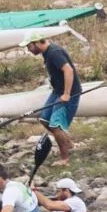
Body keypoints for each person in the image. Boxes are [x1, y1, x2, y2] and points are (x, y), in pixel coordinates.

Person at [28, 34, 81, 170]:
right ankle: (68, 143)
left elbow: (68, 70)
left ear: (37, 43)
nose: (28, 50)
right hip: (57, 91)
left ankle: (65, 158)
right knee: (45, 119)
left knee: (56, 126)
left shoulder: (54, 53)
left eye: (29, 46)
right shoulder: (47, 53)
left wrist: (67, 94)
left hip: (68, 93)